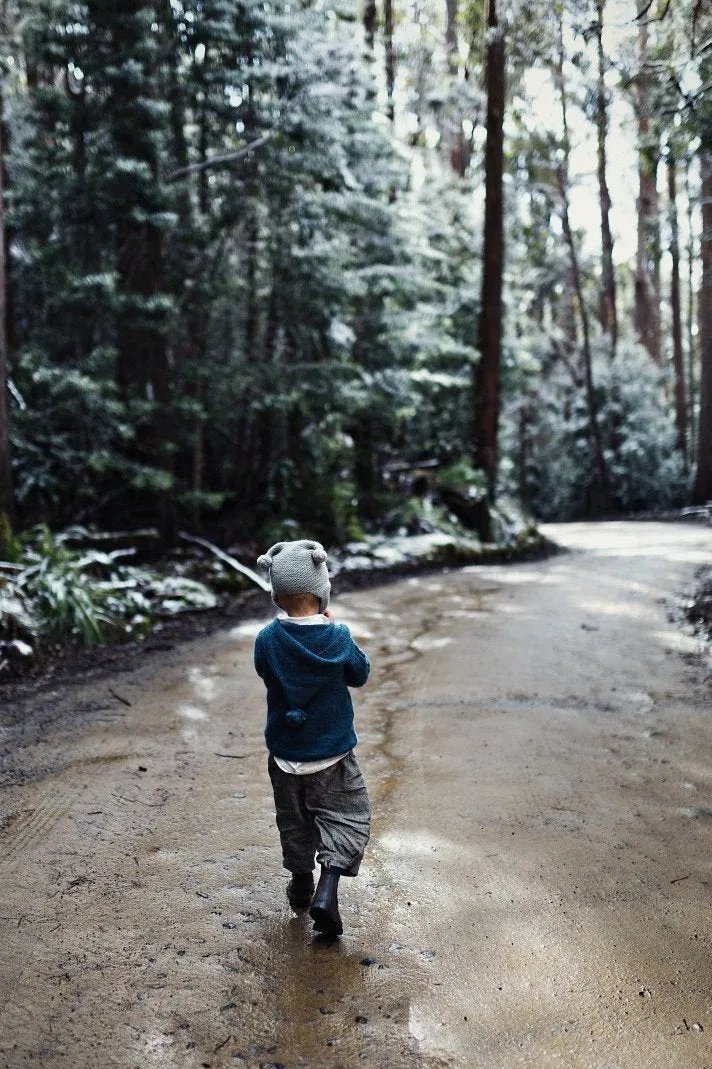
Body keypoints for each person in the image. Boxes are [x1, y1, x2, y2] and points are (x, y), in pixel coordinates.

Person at [253, 539, 371, 937]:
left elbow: (266, 673)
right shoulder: (337, 636)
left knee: (294, 820)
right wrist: (332, 627)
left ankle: (301, 883)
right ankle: (327, 888)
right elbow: (359, 673)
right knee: (347, 817)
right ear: (322, 592)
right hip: (333, 755)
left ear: (277, 597)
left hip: (286, 755)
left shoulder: (267, 640)